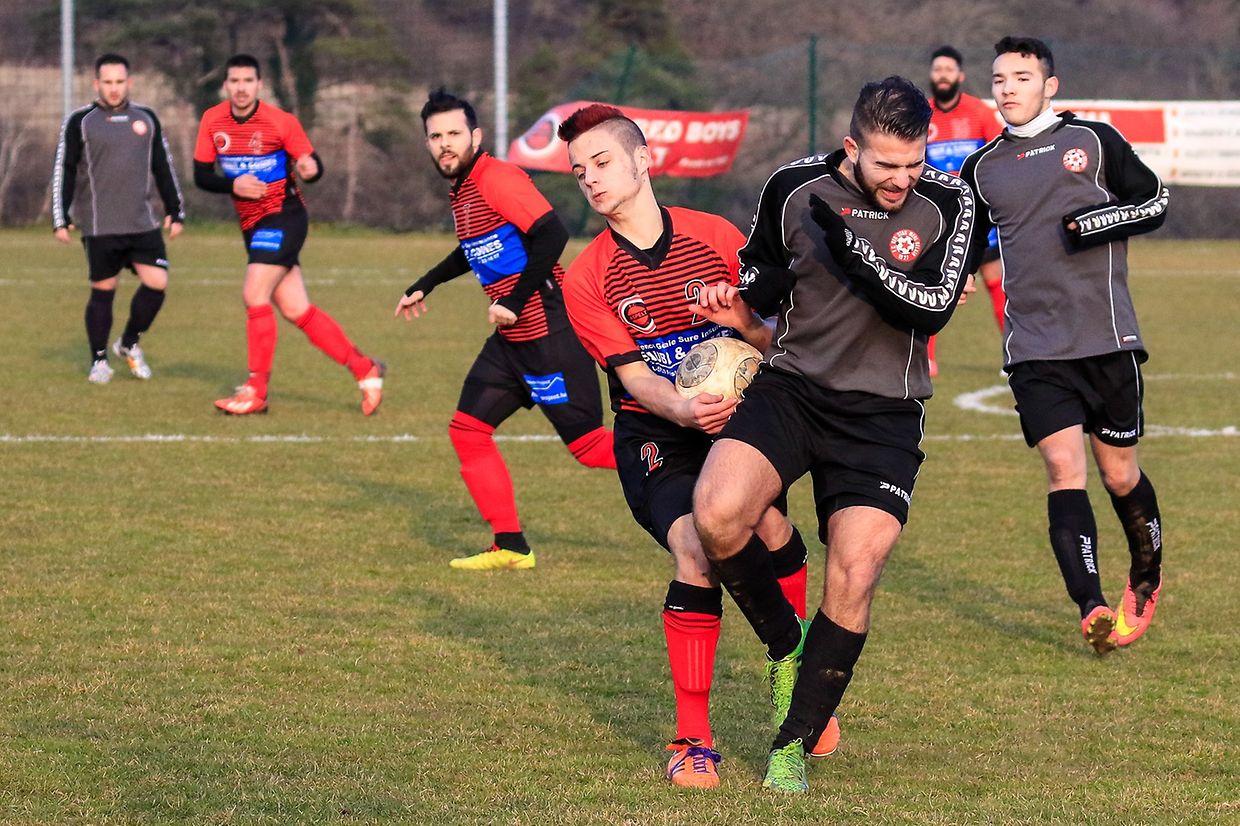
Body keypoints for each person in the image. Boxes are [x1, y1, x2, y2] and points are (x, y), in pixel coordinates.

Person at [691, 76, 977, 793]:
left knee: (855, 572)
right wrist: (748, 292)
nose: (901, 179)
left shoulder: (950, 201)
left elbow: (936, 305)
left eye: (913, 162)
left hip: (884, 414)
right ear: (853, 147)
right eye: (885, 164)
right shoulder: (793, 186)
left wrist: (862, 255)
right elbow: (760, 265)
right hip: (793, 390)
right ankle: (786, 646)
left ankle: (791, 746)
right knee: (717, 515)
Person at [557, 104, 834, 788]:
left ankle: (791, 679)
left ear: (642, 160)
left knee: (769, 528)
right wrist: (682, 405)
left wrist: (741, 325)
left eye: (601, 162)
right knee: (696, 548)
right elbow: (629, 377)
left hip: (743, 420)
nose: (589, 179)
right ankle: (692, 739)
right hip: (655, 432)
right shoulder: (587, 275)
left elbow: (775, 336)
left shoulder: (717, 239)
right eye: (578, 171)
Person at [960, 37, 1169, 655]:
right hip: (1034, 348)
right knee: (1061, 469)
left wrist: (1095, 224)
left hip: (1107, 339)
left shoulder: (1095, 141)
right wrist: (952, 281)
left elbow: (1154, 199)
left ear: (1049, 85)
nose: (1007, 88)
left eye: (1021, 77)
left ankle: (1146, 577)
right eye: (999, 78)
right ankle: (1092, 606)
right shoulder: (982, 167)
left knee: (1119, 471)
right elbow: (966, 245)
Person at [395, 90, 615, 570]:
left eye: (454, 134)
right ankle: (511, 546)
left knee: (591, 447)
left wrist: (513, 301)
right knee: (468, 430)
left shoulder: (495, 177)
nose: (445, 144)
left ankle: (703, 460)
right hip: (512, 342)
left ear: (475, 137)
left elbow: (551, 233)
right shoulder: (463, 188)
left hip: (549, 334)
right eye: (436, 136)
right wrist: (425, 284)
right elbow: (475, 249)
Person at [193, 54, 384, 416]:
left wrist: (309, 169)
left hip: (284, 217)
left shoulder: (280, 122)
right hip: (252, 226)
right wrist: (232, 184)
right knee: (296, 309)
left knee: (254, 294)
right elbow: (201, 176)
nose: (241, 88)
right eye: (234, 81)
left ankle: (256, 391)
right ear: (226, 85)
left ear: (259, 85)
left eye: (248, 81)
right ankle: (365, 369)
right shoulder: (212, 120)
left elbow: (312, 165)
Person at [52, 53, 185, 384]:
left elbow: (163, 166)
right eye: (107, 82)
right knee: (103, 291)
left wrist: (175, 208)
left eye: (119, 82)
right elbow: (64, 168)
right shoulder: (80, 121)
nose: (114, 89)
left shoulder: (147, 119)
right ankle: (98, 360)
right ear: (97, 84)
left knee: (157, 282)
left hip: (142, 222)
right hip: (101, 225)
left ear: (130, 83)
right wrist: (60, 215)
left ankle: (128, 344)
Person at [925, 45, 1006, 376]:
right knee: (928, 283)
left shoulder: (978, 113)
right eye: (937, 69)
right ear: (932, 76)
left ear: (960, 76)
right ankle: (925, 358)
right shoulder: (922, 114)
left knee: (995, 280)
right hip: (936, 217)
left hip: (976, 214)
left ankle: (1012, 353)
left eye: (948, 69)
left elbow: (1000, 154)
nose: (942, 75)